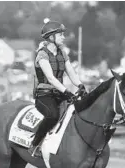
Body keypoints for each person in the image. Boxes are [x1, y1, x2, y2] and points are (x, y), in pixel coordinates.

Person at [28, 19, 87, 156]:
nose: (63, 37)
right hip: (44, 95)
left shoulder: (62, 53)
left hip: (59, 93)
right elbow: (50, 78)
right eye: (60, 35)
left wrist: (80, 85)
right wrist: (66, 92)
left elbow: (71, 72)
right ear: (51, 37)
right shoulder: (42, 55)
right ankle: (34, 144)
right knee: (52, 115)